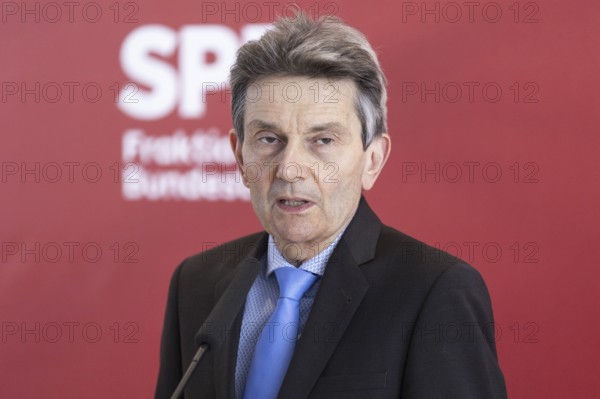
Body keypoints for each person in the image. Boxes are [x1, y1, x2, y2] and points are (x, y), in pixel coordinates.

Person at [155, 11, 507, 399]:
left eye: (322, 140)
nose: (289, 168)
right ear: (239, 156)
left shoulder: (435, 291)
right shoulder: (196, 282)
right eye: (269, 139)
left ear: (372, 159)